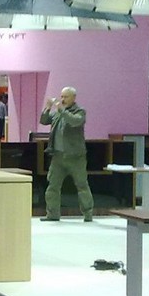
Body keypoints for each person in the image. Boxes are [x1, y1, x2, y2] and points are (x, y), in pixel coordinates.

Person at [39, 86, 93, 222]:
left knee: (82, 185)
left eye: (66, 97)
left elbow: (74, 121)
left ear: (74, 98)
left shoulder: (80, 111)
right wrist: (47, 108)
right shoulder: (58, 113)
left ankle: (88, 213)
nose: (62, 99)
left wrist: (62, 111)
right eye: (61, 96)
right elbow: (44, 121)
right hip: (58, 156)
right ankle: (52, 214)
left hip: (76, 157)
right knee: (52, 186)